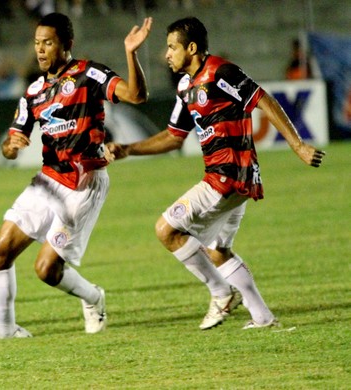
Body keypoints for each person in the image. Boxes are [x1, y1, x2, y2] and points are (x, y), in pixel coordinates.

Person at [107, 17, 325, 330]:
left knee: (166, 230)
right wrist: (129, 149)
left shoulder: (222, 72)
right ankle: (262, 318)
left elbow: (262, 99)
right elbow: (173, 137)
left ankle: (221, 293)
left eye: (172, 47)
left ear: (191, 48)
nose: (166, 54)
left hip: (227, 176)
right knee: (218, 251)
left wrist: (298, 145)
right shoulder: (185, 87)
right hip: (236, 178)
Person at [0, 12, 153, 341]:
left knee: (46, 270)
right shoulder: (34, 92)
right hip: (48, 181)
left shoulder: (88, 74)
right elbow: (10, 145)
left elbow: (135, 95)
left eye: (48, 43)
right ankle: (6, 330)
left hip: (84, 184)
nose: (40, 50)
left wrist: (131, 54)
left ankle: (93, 297)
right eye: (37, 43)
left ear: (67, 44)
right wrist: (11, 146)